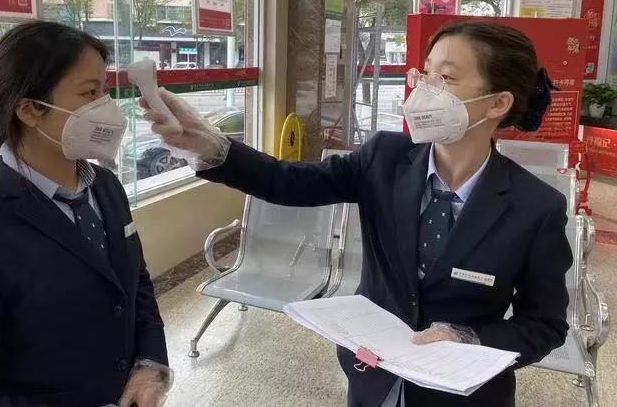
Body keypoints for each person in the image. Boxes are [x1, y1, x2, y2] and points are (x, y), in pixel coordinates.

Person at [141, 21, 572, 407]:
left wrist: (470, 338)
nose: (425, 89)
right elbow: (286, 181)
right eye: (425, 74)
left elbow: (545, 325)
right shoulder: (384, 158)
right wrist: (212, 148)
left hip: (463, 397)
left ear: (496, 104)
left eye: (446, 78)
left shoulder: (536, 207)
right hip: (371, 375)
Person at [0, 21, 171, 407]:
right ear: (31, 110)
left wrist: (150, 365)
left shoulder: (106, 187)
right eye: (89, 93)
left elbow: (136, 284)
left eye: (104, 90)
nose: (106, 107)